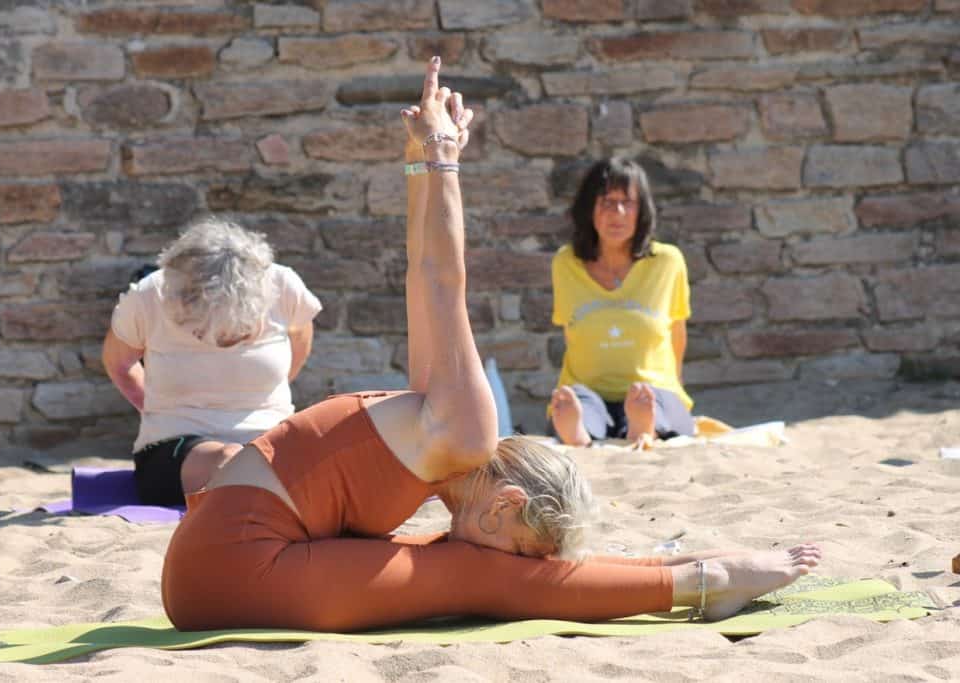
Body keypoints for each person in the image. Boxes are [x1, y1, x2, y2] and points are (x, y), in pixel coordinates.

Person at [160, 58, 821, 633]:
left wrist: (420, 161)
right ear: (505, 504)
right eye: (519, 544)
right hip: (236, 565)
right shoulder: (466, 430)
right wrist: (444, 159)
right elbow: (447, 280)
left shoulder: (433, 421)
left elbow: (420, 275)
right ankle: (706, 579)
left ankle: (697, 572)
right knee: (483, 579)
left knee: (478, 571)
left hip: (215, 562)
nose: (509, 554)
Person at [102, 218, 322, 506]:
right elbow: (119, 363)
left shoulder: (283, 285)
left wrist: (263, 397)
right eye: (205, 334)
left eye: (239, 335)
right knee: (229, 459)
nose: (225, 344)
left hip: (269, 438)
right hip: (176, 444)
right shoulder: (149, 295)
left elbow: (300, 338)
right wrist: (156, 407)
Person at [549, 158, 694, 448]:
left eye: (627, 202)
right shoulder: (565, 263)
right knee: (577, 403)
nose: (617, 213)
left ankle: (644, 428)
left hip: (653, 388)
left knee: (656, 403)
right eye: (606, 202)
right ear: (588, 208)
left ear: (642, 211)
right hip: (589, 390)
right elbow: (572, 334)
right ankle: (579, 435)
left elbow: (677, 334)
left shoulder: (668, 262)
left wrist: (674, 386)